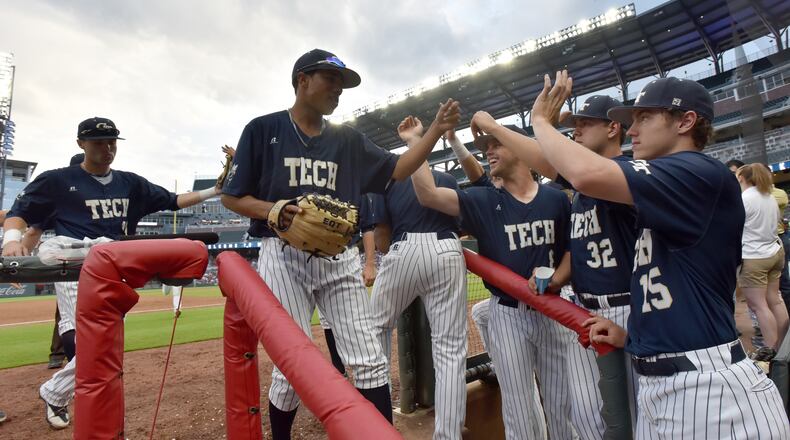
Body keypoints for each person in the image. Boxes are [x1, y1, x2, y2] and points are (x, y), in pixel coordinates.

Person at [530, 72, 789, 438]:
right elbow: (671, 287)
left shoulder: (701, 172)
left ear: (685, 121)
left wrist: (541, 121)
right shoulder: (666, 187)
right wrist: (631, 336)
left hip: (710, 392)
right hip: (667, 383)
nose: (632, 129)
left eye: (645, 117)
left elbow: (583, 173)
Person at [220, 48, 460, 439]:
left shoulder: (347, 140)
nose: (339, 90)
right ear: (302, 80)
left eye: (341, 84)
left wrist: (432, 130)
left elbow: (398, 169)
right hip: (283, 255)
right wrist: (273, 209)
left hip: (338, 256)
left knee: (369, 360)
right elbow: (231, 196)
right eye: (331, 81)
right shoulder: (264, 129)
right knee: (290, 366)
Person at [1, 117, 223, 430]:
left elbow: (173, 201)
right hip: (75, 261)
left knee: (103, 342)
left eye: (112, 142)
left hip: (114, 264)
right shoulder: (57, 180)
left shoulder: (129, 182)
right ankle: (64, 394)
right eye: (98, 142)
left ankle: (55, 391)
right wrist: (12, 243)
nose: (107, 148)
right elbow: (18, 213)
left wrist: (214, 190)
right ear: (81, 144)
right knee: (72, 277)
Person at [470, 94, 639, 439]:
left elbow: (560, 167)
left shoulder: (623, 174)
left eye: (585, 123)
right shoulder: (577, 192)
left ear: (613, 128)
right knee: (585, 417)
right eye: (573, 123)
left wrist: (497, 126)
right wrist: (556, 277)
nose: (575, 130)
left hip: (627, 308)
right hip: (582, 313)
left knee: (633, 415)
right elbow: (573, 252)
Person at [408, 115, 574, 439]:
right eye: (486, 147)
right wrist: (417, 141)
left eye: (496, 143)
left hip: (555, 309)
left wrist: (557, 277)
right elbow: (428, 194)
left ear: (522, 150)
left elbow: (572, 250)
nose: (489, 151)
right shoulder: (483, 199)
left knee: (561, 403)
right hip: (508, 313)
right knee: (518, 406)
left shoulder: (555, 198)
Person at [368, 119, 468, 440]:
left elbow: (382, 239)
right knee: (450, 351)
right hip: (448, 250)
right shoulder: (449, 178)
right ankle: (448, 436)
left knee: (374, 329)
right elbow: (461, 226)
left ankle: (377, 421)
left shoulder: (390, 181)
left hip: (404, 248)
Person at [736, 163, 789, 360]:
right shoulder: (769, 197)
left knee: (759, 305)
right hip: (774, 251)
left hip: (754, 256)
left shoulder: (744, 199)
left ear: (742, 178)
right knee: (775, 300)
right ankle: (783, 347)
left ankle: (770, 349)